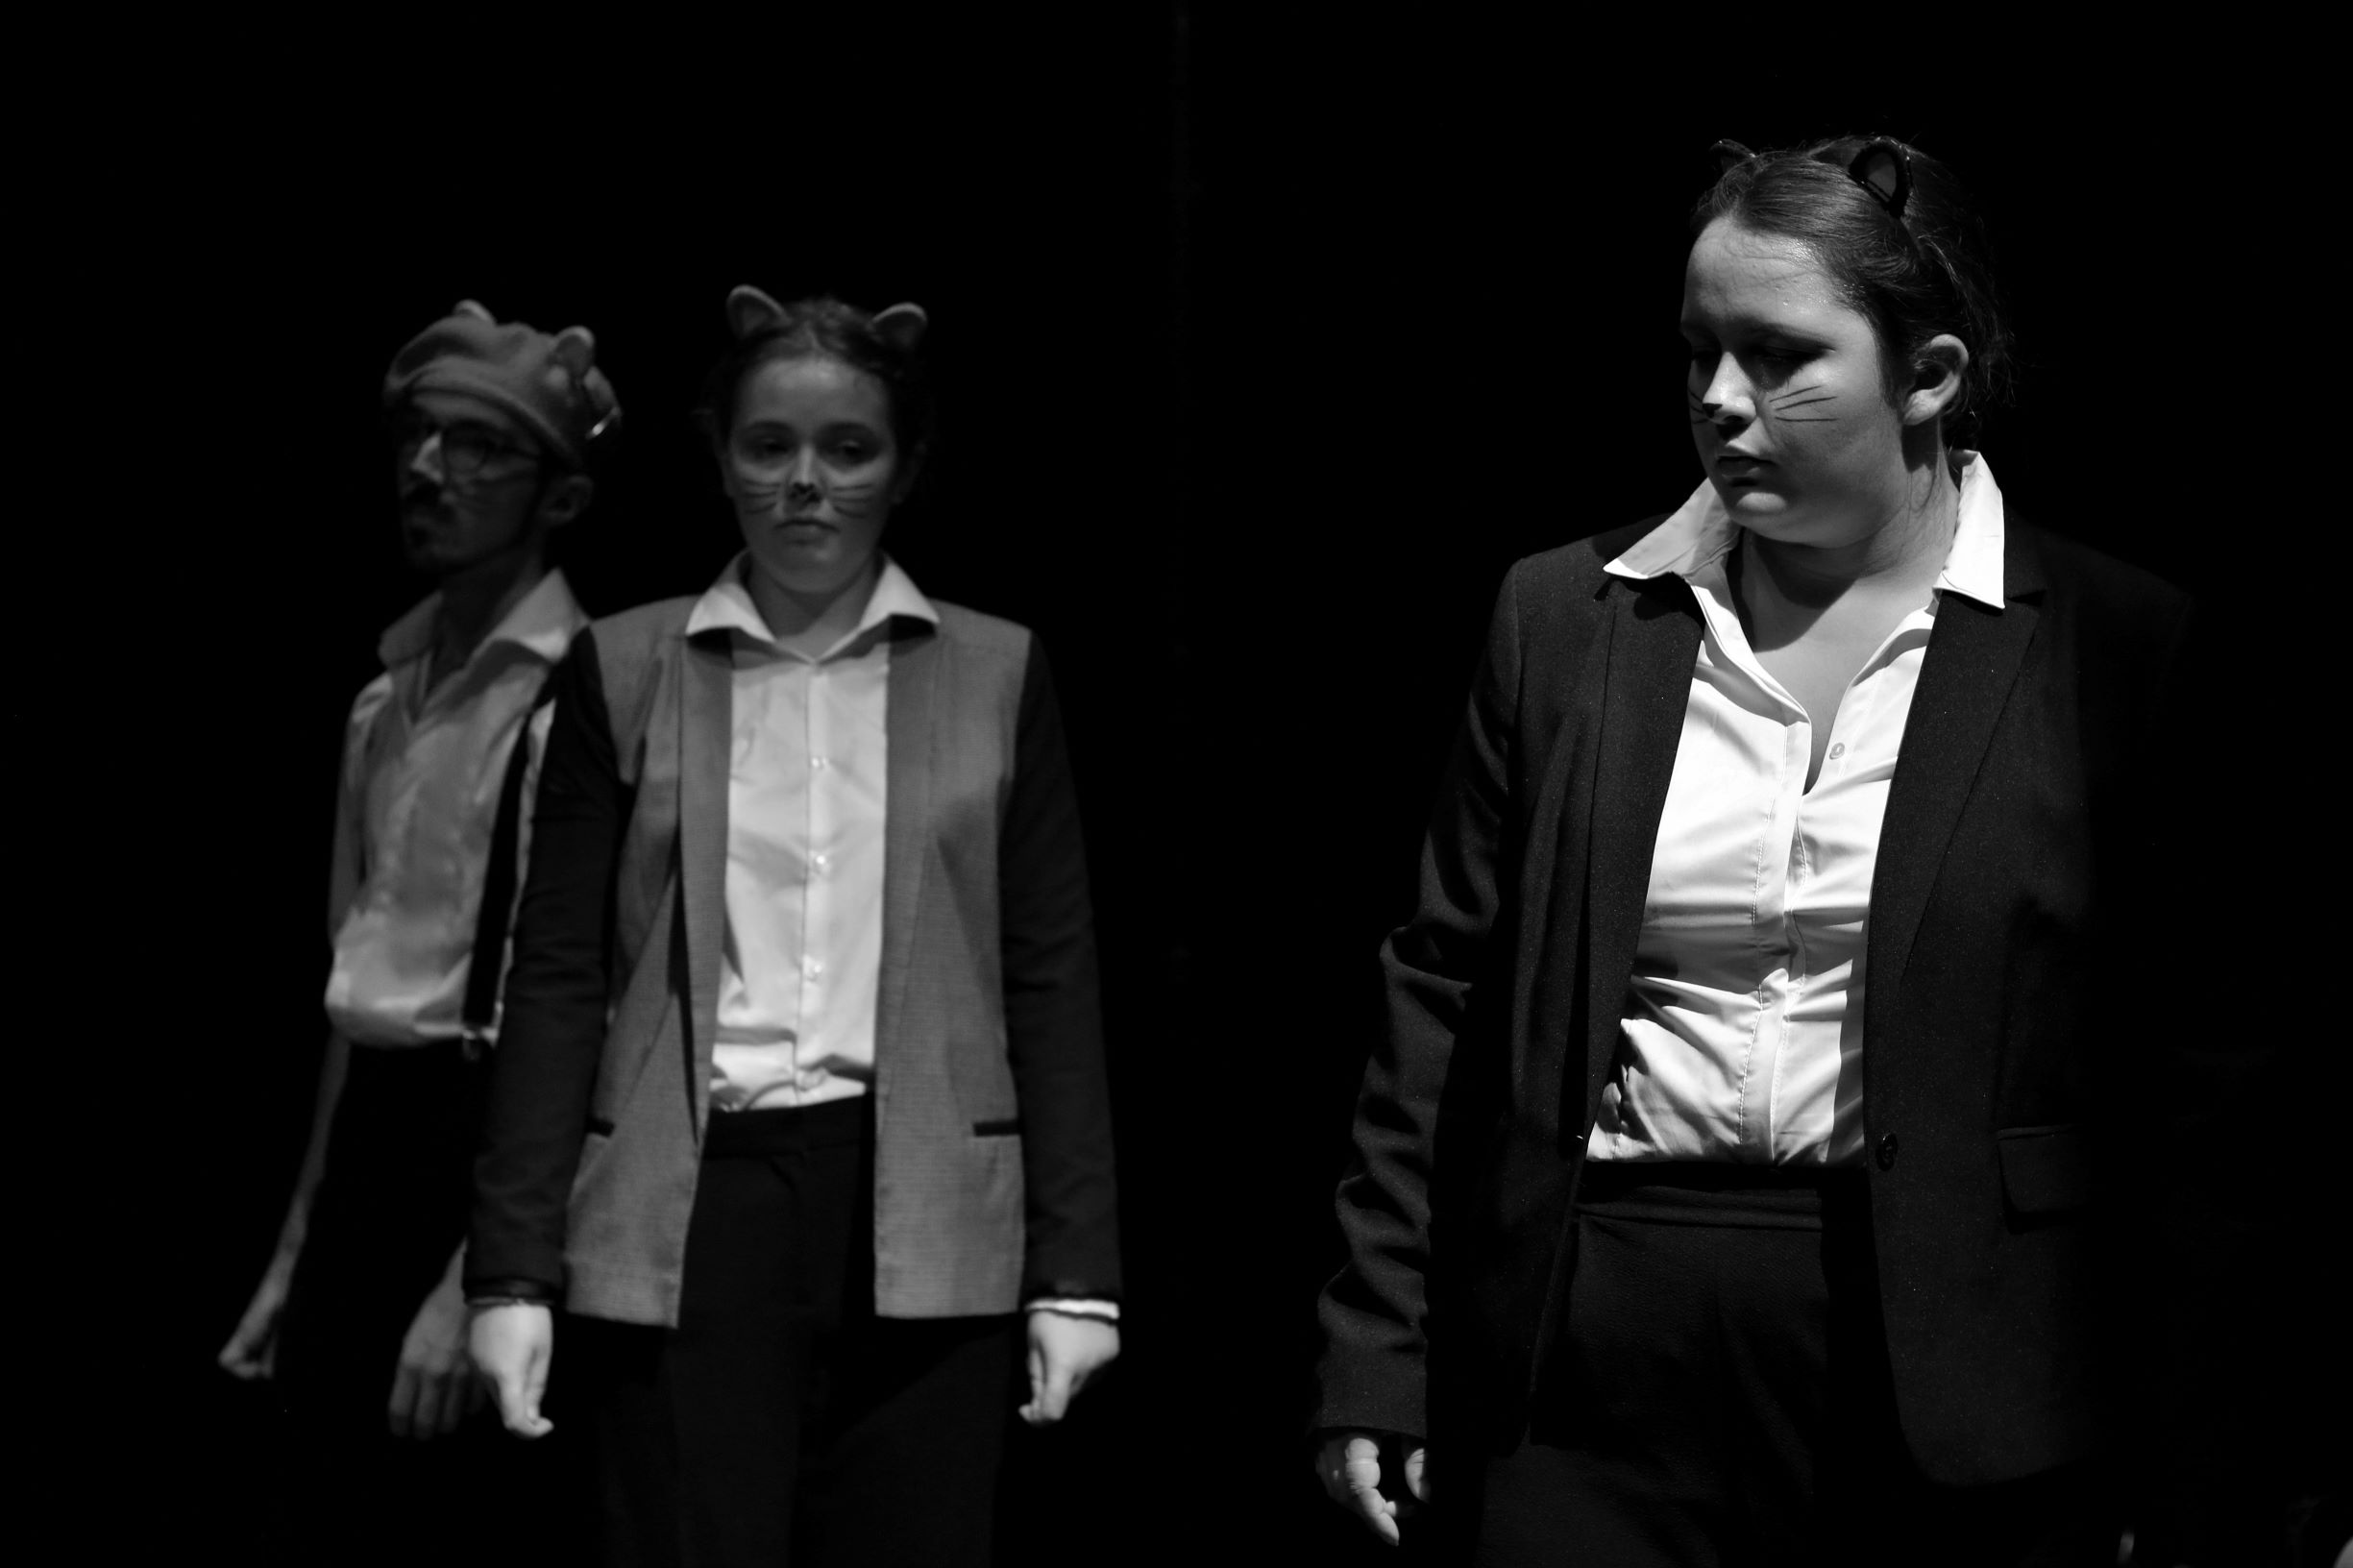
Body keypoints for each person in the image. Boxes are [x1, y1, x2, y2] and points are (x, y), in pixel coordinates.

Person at [1311, 137, 2255, 1564]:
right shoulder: (1571, 619)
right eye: (1699, 351)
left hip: (1955, 1363)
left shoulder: (2111, 647)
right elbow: (1440, 997)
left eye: (1778, 356)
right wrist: (1380, 1347)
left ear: (1928, 375)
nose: (1717, 398)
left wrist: (2202, 1444)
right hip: (1592, 1341)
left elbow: (2200, 1077)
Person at [465, 288, 1123, 1567]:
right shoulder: (627, 664)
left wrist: (1077, 1271)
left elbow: (1049, 978)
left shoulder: (997, 671)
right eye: (769, 446)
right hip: (691, 1203)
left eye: (848, 448)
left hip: (923, 1197)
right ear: (721, 459)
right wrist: (512, 1267)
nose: (806, 481)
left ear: (905, 466)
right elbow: (557, 977)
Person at [217, 302, 619, 1561]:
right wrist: (296, 1256)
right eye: (421, 437)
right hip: (370, 1156)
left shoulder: (583, 702)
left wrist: (482, 1275)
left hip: (489, 1156)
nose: (430, 468)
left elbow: (592, 1018)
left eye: (480, 445)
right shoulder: (381, 703)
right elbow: (358, 995)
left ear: (560, 497)